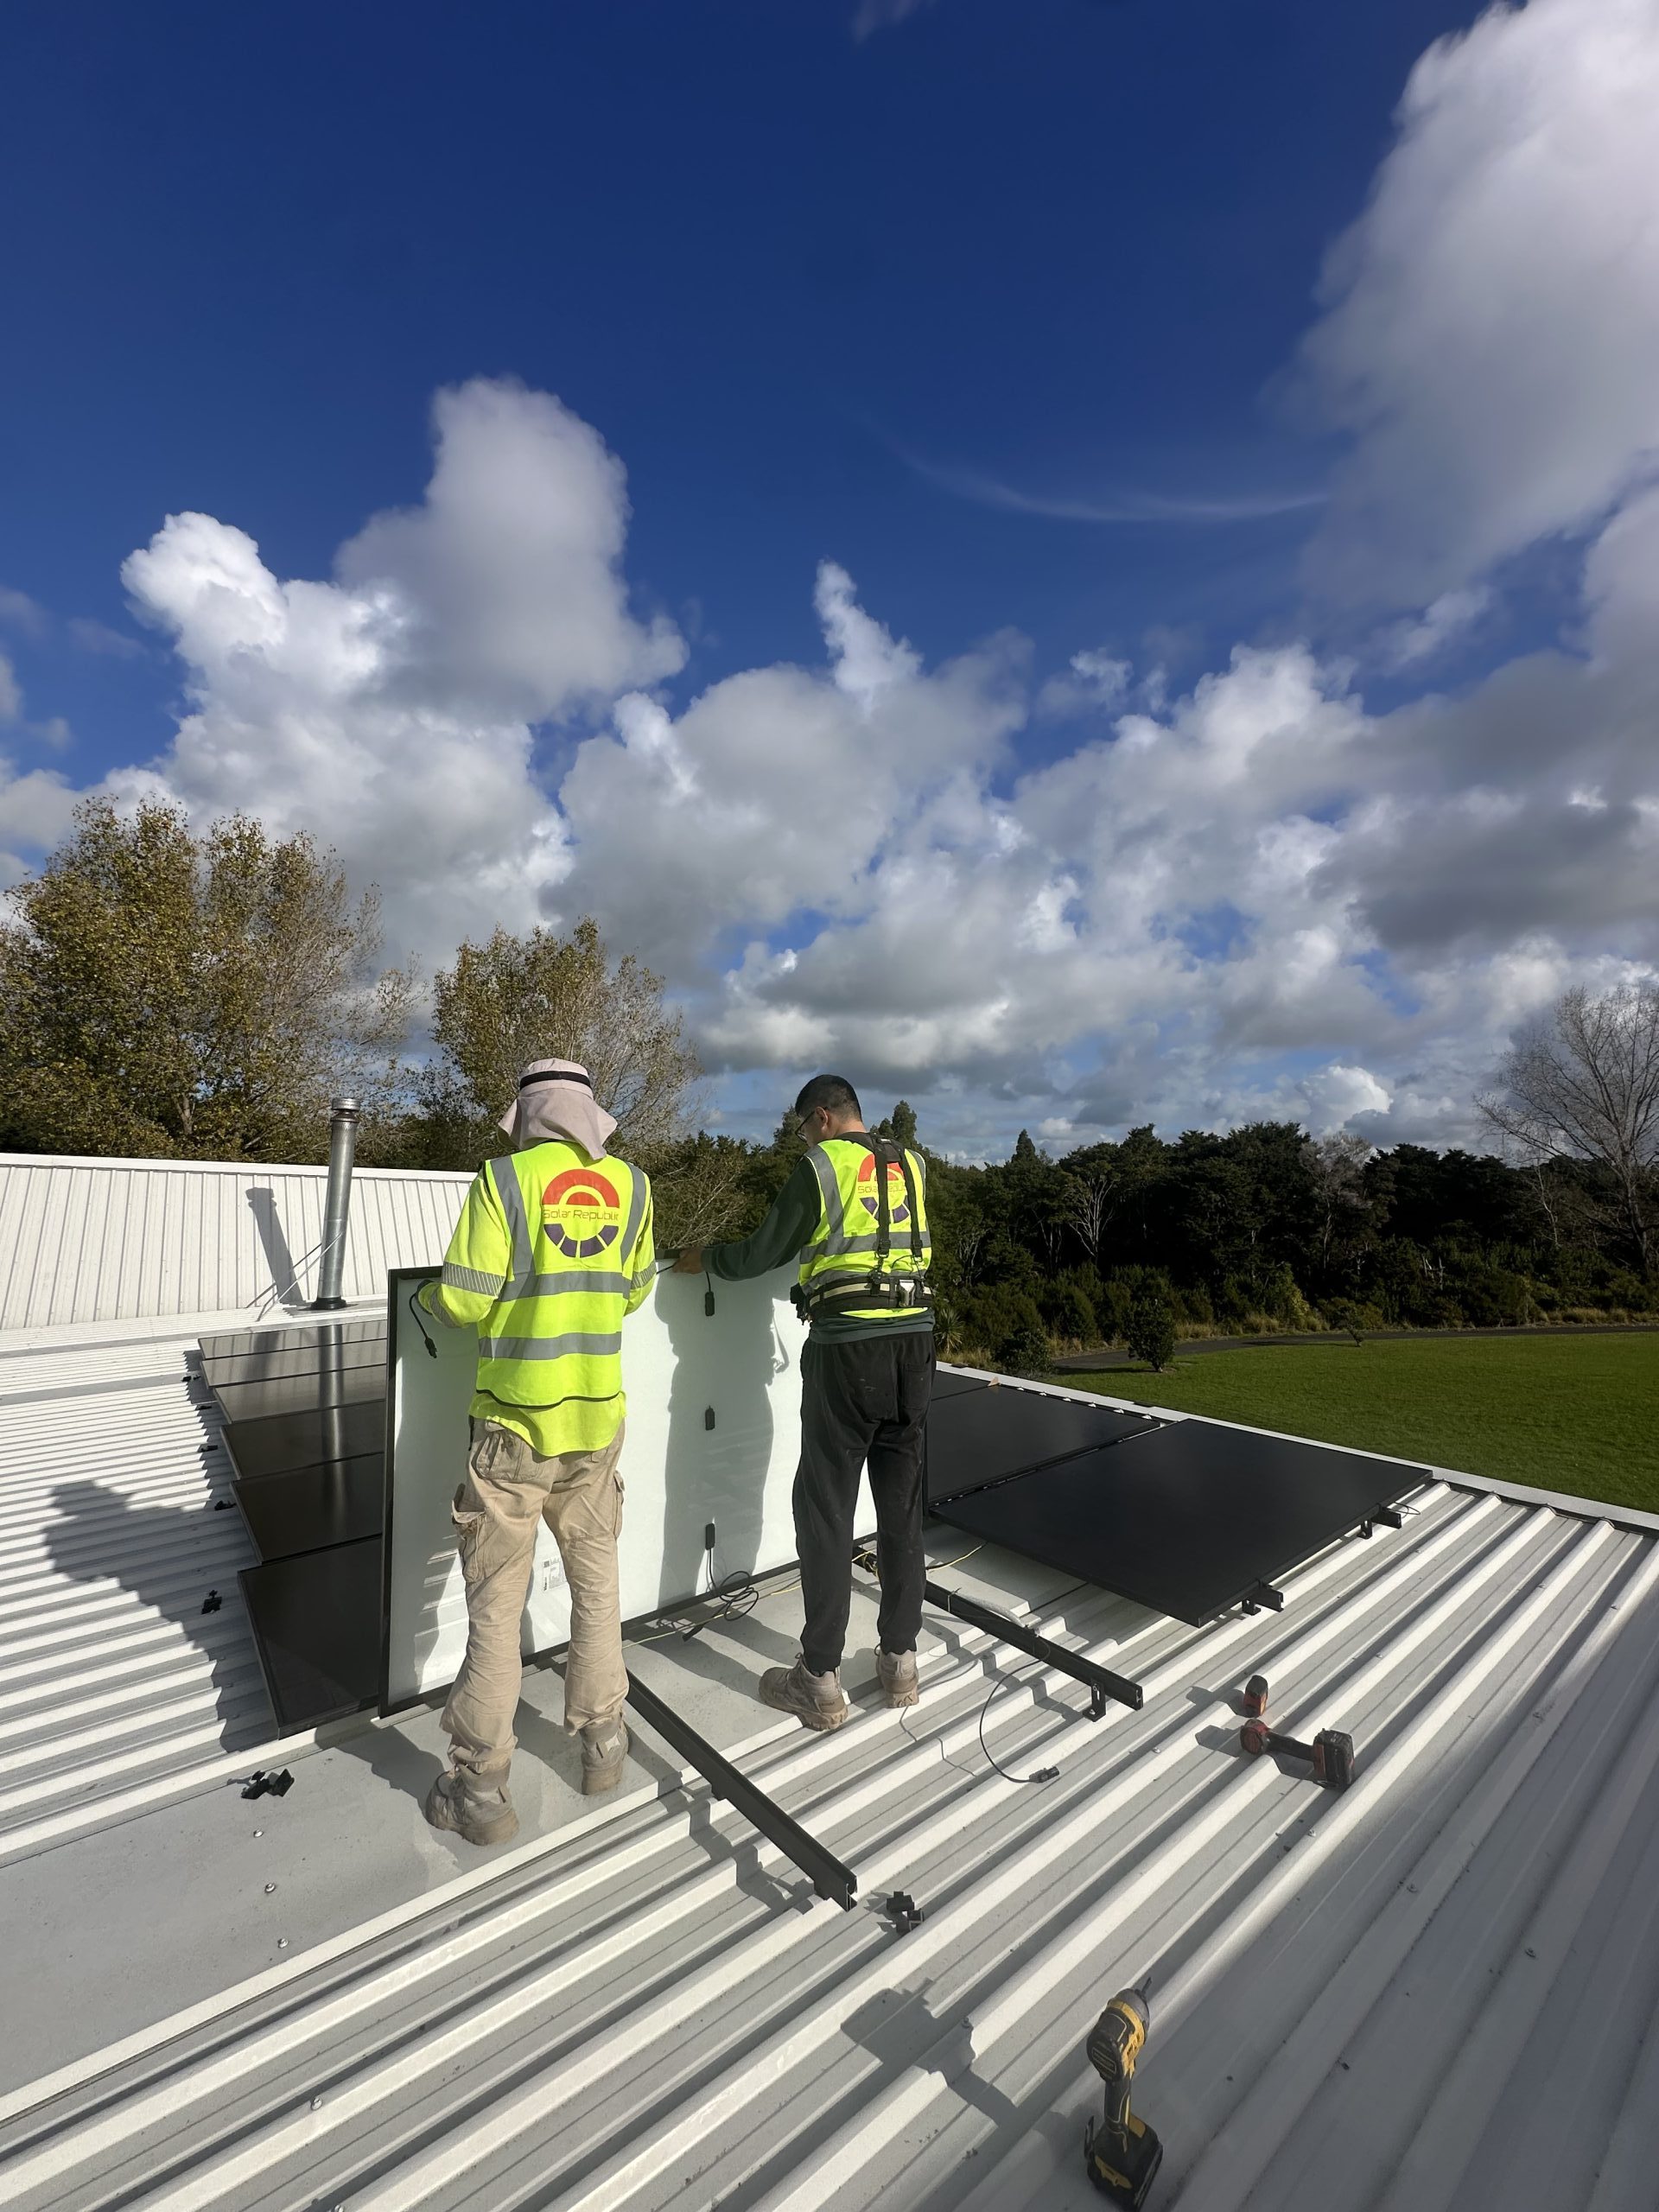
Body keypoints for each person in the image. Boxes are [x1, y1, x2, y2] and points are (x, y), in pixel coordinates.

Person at [416, 1058, 654, 1845]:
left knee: (496, 1608)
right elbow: (635, 1290)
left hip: (513, 1429)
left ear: (527, 1116)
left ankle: (480, 1789)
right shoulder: (633, 1186)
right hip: (597, 1422)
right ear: (589, 1115)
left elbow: (463, 1298)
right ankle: (604, 1744)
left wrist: (427, 1299)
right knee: (597, 1586)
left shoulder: (503, 1181)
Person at [675, 1072, 932, 1732]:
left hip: (848, 1351)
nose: (802, 1141)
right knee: (902, 1506)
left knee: (825, 1509)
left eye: (801, 1129)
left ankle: (819, 1678)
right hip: (915, 1344)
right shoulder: (912, 1164)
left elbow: (762, 1252)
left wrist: (705, 1258)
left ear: (821, 1117)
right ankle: (901, 1660)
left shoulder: (821, 1167)